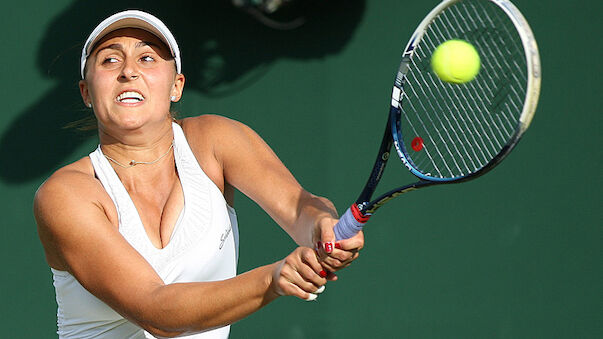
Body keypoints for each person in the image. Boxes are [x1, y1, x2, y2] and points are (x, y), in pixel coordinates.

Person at [34, 10, 364, 339]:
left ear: (176, 86)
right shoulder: (66, 194)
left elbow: (298, 205)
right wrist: (273, 278)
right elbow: (157, 311)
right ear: (86, 93)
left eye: (147, 58)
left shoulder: (215, 140)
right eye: (109, 61)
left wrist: (322, 224)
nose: (129, 71)